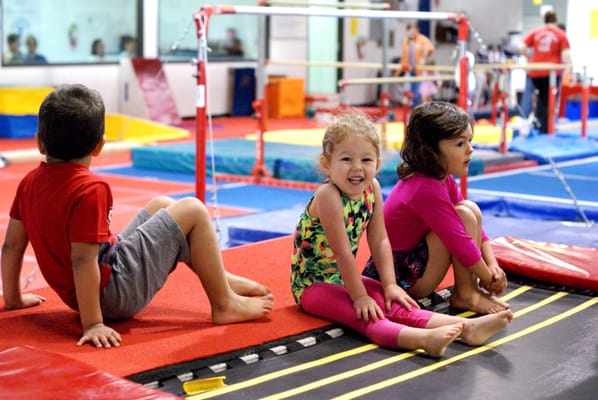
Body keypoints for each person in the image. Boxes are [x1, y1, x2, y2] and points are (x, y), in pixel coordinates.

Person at [1, 84, 274, 349]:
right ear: (99, 146)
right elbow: (83, 261)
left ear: (38, 142)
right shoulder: (89, 189)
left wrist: (13, 298)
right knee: (193, 209)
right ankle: (224, 303)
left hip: (91, 284)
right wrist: (93, 323)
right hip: (112, 296)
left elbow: (12, 245)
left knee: (162, 204)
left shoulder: (29, 183)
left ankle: (220, 277)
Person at [291, 111, 513, 357]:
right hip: (313, 285)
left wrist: (390, 285)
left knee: (394, 303)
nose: (357, 168)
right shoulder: (328, 196)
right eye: (346, 159)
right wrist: (360, 297)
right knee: (364, 314)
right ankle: (424, 339)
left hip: (343, 277)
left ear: (376, 164)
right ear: (326, 164)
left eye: (366, 160)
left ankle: (467, 328)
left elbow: (380, 240)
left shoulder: (371, 188)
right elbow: (343, 252)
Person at [362, 101, 510, 316]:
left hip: (413, 262)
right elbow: (459, 241)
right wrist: (487, 277)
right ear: (430, 149)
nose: (470, 149)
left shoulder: (441, 178)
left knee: (469, 208)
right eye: (460, 144)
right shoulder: (425, 187)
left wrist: (493, 265)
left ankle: (469, 290)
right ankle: (465, 294)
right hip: (399, 276)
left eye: (469, 141)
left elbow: (476, 228)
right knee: (462, 215)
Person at [519, 10, 571, 134]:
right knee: (548, 100)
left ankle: (526, 122)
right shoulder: (561, 34)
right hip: (551, 73)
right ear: (556, 21)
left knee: (532, 95)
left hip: (535, 71)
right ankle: (546, 128)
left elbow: (521, 47)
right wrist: (570, 69)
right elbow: (566, 56)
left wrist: (528, 57)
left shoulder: (536, 32)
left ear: (544, 21)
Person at [399, 22, 435, 106]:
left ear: (417, 31)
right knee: (410, 94)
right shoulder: (406, 42)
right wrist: (398, 71)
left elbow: (431, 48)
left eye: (414, 31)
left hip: (420, 71)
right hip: (409, 71)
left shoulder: (422, 39)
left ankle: (418, 108)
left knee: (418, 93)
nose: (412, 33)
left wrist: (425, 51)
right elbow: (403, 57)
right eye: (410, 31)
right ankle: (413, 109)